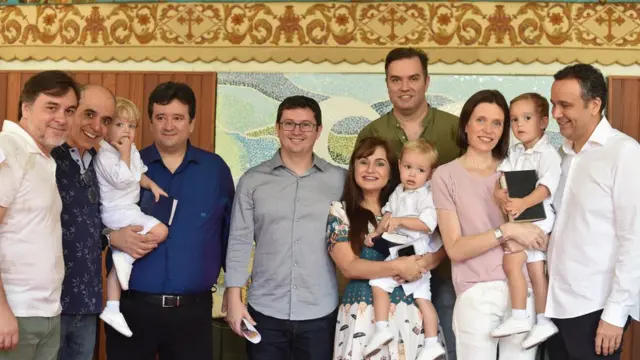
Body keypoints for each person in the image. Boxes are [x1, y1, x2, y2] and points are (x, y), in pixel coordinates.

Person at [105, 82, 234, 360]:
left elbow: (230, 235)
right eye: (161, 117)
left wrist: (234, 293)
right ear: (150, 122)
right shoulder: (124, 165)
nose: (169, 126)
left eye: (178, 118)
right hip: (132, 308)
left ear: (191, 123)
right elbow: (92, 216)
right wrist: (111, 236)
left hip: (193, 313)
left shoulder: (215, 170)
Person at [356, 47, 460, 359]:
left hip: (442, 269)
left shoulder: (454, 131)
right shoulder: (372, 132)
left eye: (413, 78)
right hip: (385, 259)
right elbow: (362, 196)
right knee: (388, 348)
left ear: (427, 81)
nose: (405, 87)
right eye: (396, 79)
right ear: (386, 83)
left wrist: (434, 258)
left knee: (445, 347)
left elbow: (469, 204)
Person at [223, 95, 345, 360]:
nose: (296, 131)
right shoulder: (253, 180)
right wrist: (233, 297)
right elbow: (240, 242)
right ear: (277, 128)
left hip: (320, 310)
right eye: (289, 124)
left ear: (318, 131)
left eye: (305, 125)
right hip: (264, 310)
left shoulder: (339, 180)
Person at [431, 89, 550, 360]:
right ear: (466, 124)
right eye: (480, 120)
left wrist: (536, 235)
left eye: (497, 123)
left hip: (522, 292)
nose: (488, 130)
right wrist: (506, 230)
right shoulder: (445, 176)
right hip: (476, 292)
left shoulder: (516, 168)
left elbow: (538, 234)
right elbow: (456, 249)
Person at [53, 84, 164, 360]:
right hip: (46, 302)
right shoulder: (47, 156)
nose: (96, 126)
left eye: (105, 120)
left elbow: (93, 220)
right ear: (70, 112)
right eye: (88, 114)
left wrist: (111, 237)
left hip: (86, 296)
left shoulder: (93, 157)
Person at [545, 64, 640, 359]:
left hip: (594, 307)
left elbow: (634, 238)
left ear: (595, 105)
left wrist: (615, 314)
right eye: (553, 105)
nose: (556, 114)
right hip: (553, 305)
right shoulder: (559, 155)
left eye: (565, 105)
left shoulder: (624, 153)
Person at [328, 137, 447, 360]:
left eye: (380, 163)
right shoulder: (341, 211)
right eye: (364, 162)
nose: (371, 169)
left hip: (411, 312)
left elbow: (441, 246)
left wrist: (420, 265)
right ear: (353, 167)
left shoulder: (411, 204)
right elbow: (349, 267)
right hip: (362, 314)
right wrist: (398, 266)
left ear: (392, 169)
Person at [0, 70, 79, 360]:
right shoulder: (7, 148)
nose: (62, 118)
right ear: (26, 108)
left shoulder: (44, 157)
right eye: (51, 107)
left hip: (46, 313)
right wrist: (1, 310)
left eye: (69, 110)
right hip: (14, 314)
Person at [364, 139, 445, 360]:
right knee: (384, 285)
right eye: (408, 167)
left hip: (416, 254)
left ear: (430, 174)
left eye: (420, 170)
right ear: (399, 165)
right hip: (396, 251)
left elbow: (428, 225)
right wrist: (376, 233)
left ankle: (431, 343)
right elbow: (388, 215)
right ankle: (383, 330)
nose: (412, 174)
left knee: (419, 298)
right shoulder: (399, 191)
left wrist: (401, 221)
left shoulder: (427, 195)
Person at [491, 93, 561, 348]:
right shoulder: (515, 152)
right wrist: (499, 192)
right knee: (535, 271)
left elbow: (545, 189)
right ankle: (543, 320)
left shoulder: (548, 154)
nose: (519, 124)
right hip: (523, 218)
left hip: (538, 220)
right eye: (514, 119)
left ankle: (519, 315)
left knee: (512, 260)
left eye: (527, 118)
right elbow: (501, 176)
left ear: (543, 122)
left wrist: (521, 203)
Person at [95, 97, 169, 338]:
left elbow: (138, 176)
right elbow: (123, 178)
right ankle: (125, 257)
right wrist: (125, 153)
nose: (126, 131)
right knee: (161, 231)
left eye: (131, 126)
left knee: (124, 256)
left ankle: (113, 306)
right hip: (117, 213)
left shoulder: (132, 151)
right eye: (119, 124)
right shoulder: (105, 156)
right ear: (106, 128)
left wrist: (153, 186)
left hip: (130, 210)